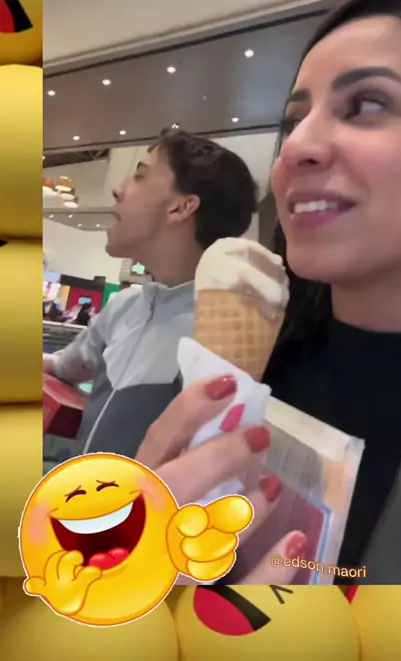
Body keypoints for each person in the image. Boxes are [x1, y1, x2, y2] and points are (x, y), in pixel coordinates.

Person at [136, 0, 401, 585]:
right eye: (294, 120)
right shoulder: (240, 379)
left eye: (366, 104)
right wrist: (134, 568)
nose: (295, 147)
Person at [43, 129, 258, 458]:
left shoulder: (225, 335)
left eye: (140, 176)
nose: (118, 189)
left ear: (180, 208)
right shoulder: (123, 307)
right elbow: (65, 366)